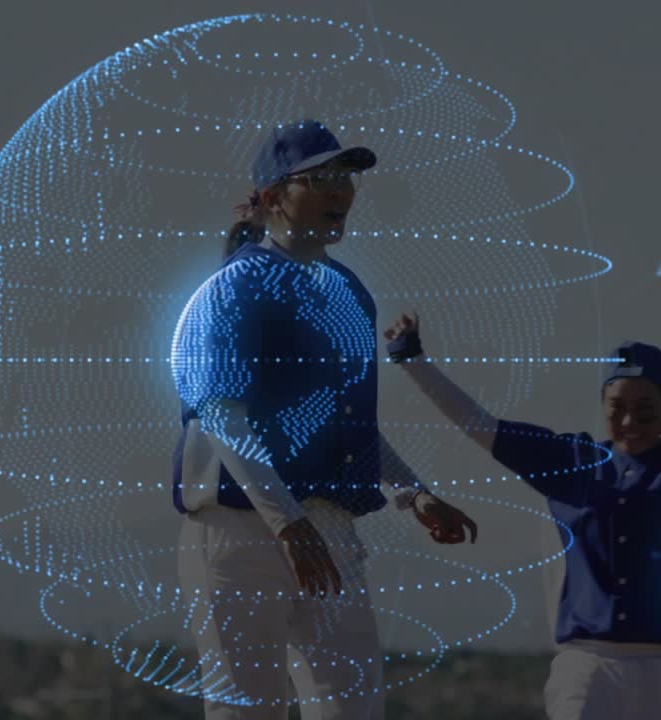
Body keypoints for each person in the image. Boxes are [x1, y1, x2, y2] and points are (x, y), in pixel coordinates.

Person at [171, 119, 478, 720]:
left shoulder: (348, 291)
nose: (341, 190)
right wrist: (286, 522)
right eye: (321, 178)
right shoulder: (233, 289)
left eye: (347, 177)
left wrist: (413, 496)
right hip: (241, 529)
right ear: (271, 197)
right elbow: (223, 416)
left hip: (329, 525)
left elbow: (350, 427)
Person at [381, 314, 661, 720]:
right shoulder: (575, 462)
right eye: (616, 407)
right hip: (590, 668)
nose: (629, 421)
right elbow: (482, 427)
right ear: (602, 405)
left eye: (644, 410)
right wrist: (413, 361)